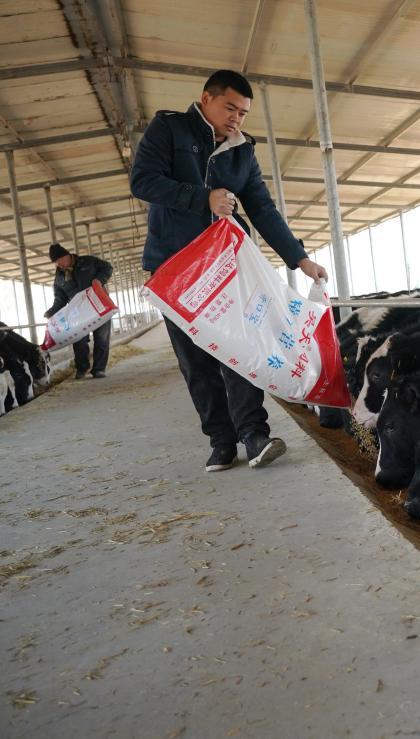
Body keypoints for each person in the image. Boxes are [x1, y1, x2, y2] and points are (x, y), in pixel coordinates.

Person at [130, 69, 329, 473]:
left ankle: (254, 434)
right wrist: (203, 198)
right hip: (174, 267)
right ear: (207, 98)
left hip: (227, 266)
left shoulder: (243, 152)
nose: (236, 118)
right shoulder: (169, 128)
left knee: (243, 347)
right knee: (195, 362)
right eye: (230, 108)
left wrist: (300, 258)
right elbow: (143, 181)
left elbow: (262, 209)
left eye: (243, 112)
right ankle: (220, 441)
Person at [44, 243, 113, 379]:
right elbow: (60, 299)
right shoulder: (59, 278)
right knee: (79, 340)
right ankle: (82, 368)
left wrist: (99, 280)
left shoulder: (88, 261)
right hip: (79, 313)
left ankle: (99, 369)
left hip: (99, 305)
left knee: (102, 339)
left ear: (67, 255)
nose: (58, 264)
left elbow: (107, 267)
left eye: (59, 260)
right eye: (55, 263)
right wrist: (51, 312)